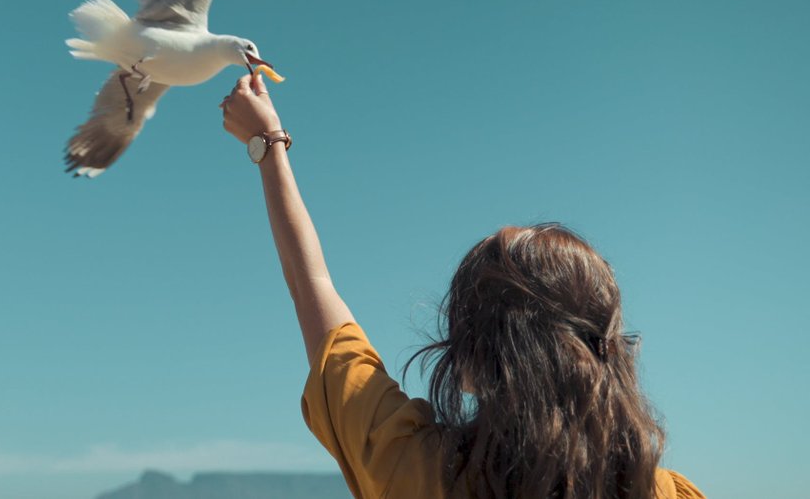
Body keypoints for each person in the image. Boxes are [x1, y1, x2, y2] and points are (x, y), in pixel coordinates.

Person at [219, 73, 704, 499]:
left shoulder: (411, 467)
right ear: (611, 349)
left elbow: (312, 285)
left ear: (469, 367)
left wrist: (267, 144)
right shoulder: (666, 492)